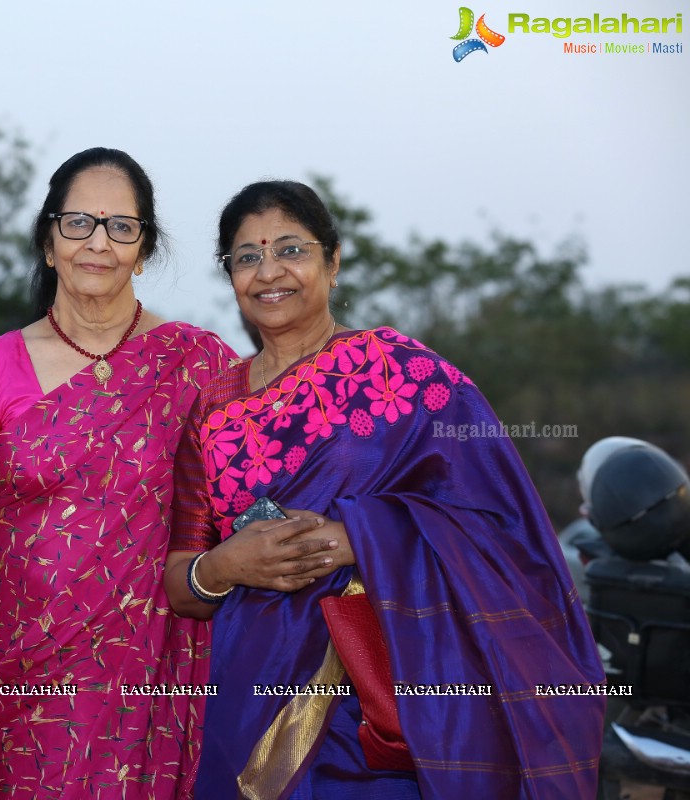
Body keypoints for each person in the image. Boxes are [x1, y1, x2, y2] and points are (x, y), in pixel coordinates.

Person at [167, 180, 606, 798]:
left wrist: (363, 537)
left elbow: (504, 525)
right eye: (246, 257)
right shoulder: (211, 409)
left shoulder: (405, 374)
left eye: (290, 249)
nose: (269, 272)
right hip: (249, 692)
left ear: (333, 260)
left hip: (384, 688)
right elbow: (181, 581)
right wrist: (225, 565)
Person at [0, 147, 236, 798]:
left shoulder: (198, 366)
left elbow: (236, 510)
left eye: (121, 227)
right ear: (49, 242)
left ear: (143, 248)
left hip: (157, 675)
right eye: (78, 223)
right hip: (26, 683)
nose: (98, 243)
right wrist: (15, 651)